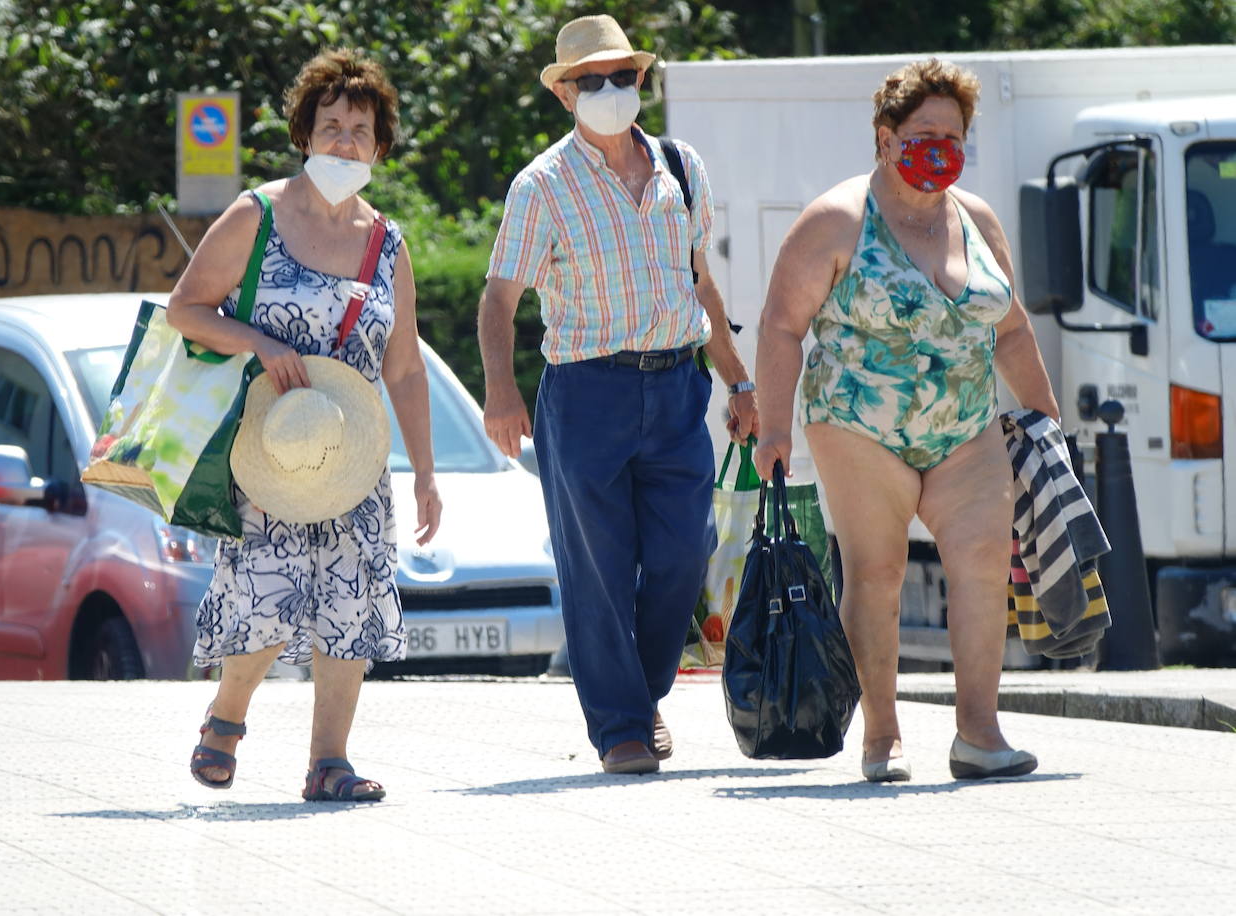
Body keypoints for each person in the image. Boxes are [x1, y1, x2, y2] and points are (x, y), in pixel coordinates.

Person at [753, 58, 1059, 782]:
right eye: (925, 132)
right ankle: (882, 737)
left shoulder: (976, 220)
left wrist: (1045, 419)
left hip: (966, 425)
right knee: (878, 569)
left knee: (984, 562)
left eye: (953, 135)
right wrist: (774, 429)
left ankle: (979, 734)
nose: (941, 148)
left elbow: (1010, 328)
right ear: (886, 137)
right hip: (860, 423)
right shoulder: (835, 220)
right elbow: (779, 328)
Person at [478, 14, 757, 775]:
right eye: (591, 80)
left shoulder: (679, 164)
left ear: (641, 81)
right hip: (585, 392)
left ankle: (644, 691)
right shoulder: (541, 184)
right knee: (597, 564)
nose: (610, 91)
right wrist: (500, 393)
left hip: (676, 386)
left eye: (622, 76)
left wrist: (740, 380)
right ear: (565, 93)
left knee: (680, 554)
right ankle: (622, 730)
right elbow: (498, 299)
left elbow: (701, 282)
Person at [166, 48, 440, 802]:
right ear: (304, 136)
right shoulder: (255, 215)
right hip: (269, 447)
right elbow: (184, 309)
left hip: (352, 456)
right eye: (331, 126)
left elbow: (407, 367)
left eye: (360, 128)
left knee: (350, 603)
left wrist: (423, 471)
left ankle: (331, 762)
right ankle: (226, 719)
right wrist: (260, 341)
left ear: (380, 147)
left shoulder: (388, 245)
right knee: (263, 593)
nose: (344, 141)